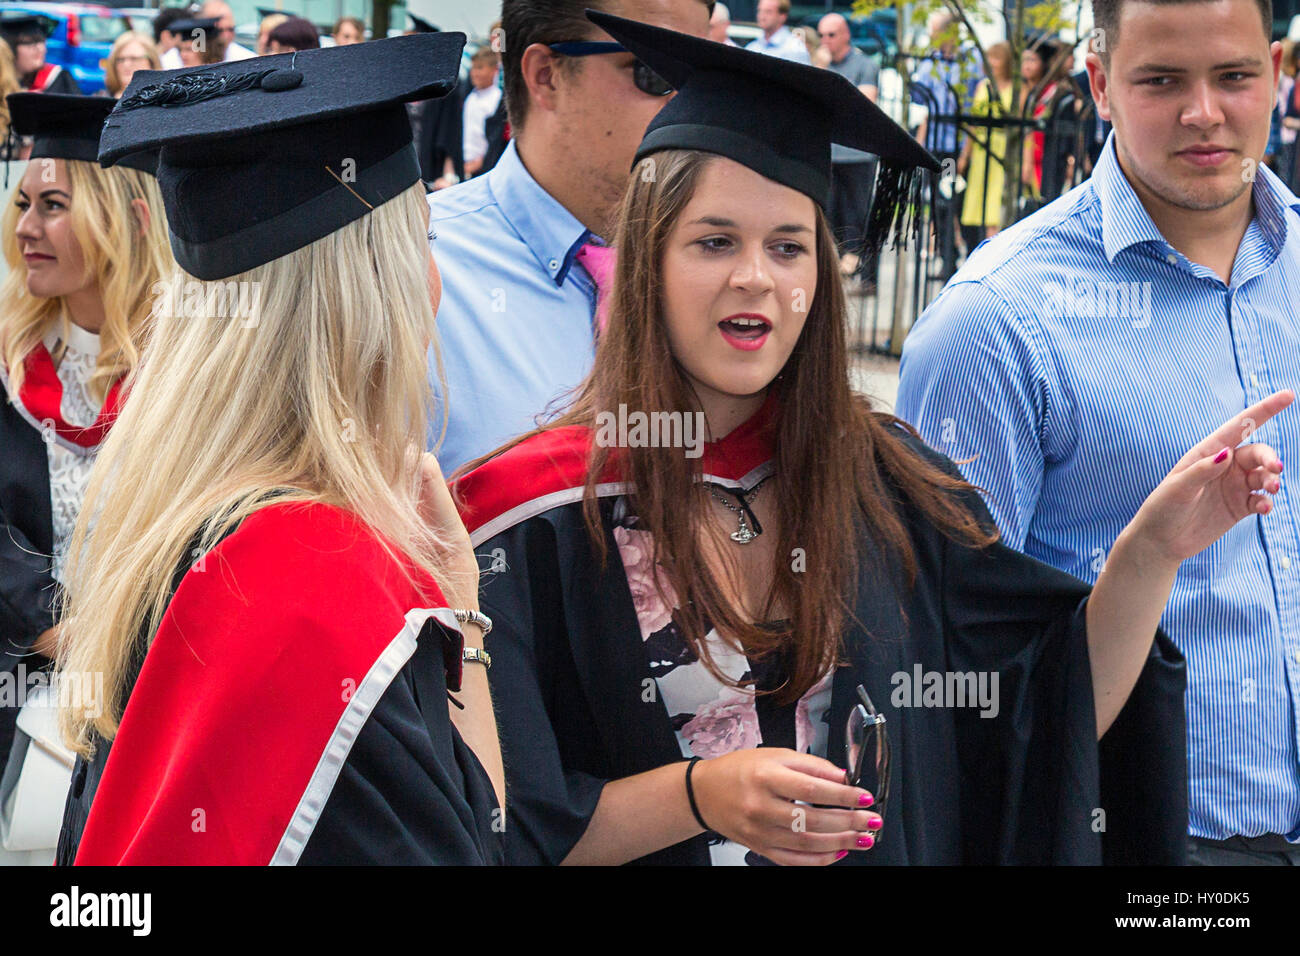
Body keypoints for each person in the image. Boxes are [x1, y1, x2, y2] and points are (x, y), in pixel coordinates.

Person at [453, 10, 1289, 867]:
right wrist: (700, 796)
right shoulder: (534, 515)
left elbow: (1048, 714)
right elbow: (498, 824)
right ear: (647, 264)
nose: (755, 277)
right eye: (713, 242)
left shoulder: (891, 488)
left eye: (788, 247)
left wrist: (1152, 552)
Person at [55, 34, 504, 866]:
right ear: (374, 289)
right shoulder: (321, 586)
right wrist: (465, 614)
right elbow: (482, 839)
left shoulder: (161, 532)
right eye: (424, 243)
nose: (437, 282)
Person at [898, 0, 1300, 865]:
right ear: (1100, 83)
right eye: (1161, 81)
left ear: (1276, 70)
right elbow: (945, 674)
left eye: (1233, 77)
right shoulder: (995, 324)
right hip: (1151, 845)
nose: (1204, 112)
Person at [426, 0, 711, 473]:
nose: (690, 106)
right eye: (654, 73)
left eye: (704, 77)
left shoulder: (730, 268)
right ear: (546, 76)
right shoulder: (413, 273)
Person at [0, 94, 171, 849]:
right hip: (24, 671)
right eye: (23, 204)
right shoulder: (7, 363)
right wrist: (50, 627)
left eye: (54, 205)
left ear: (123, 218)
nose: (26, 227)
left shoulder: (187, 374)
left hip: (159, 683)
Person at [818, 12, 879, 282]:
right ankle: (838, 268)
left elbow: (863, 107)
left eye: (831, 35)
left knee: (860, 213)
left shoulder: (865, 64)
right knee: (830, 213)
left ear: (845, 35)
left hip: (858, 154)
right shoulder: (822, 64)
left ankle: (868, 273)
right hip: (830, 152)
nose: (825, 40)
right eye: (821, 35)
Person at [958, 41, 1014, 238]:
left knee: (996, 208)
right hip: (982, 149)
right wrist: (965, 155)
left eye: (997, 58)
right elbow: (973, 122)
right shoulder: (983, 85)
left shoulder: (1016, 88)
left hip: (1003, 150)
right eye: (989, 57)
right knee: (978, 207)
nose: (992, 62)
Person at [1, 17, 80, 95]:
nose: (40, 49)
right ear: (10, 49)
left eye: (42, 41)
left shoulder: (58, 79)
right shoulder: (3, 84)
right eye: (29, 43)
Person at [462, 47, 502, 180]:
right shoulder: (471, 97)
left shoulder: (497, 100)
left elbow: (495, 139)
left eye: (480, 68)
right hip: (465, 165)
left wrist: (479, 162)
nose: (474, 73)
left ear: (494, 70)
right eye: (473, 68)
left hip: (485, 167)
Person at [745, 0, 810, 65]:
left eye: (768, 12)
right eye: (759, 10)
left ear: (782, 16)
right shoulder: (752, 47)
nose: (761, 16)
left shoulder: (795, 48)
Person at [100, 32, 160, 99]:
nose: (126, 64)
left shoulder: (165, 103)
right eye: (120, 59)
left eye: (134, 58)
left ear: (151, 62)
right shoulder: (100, 101)